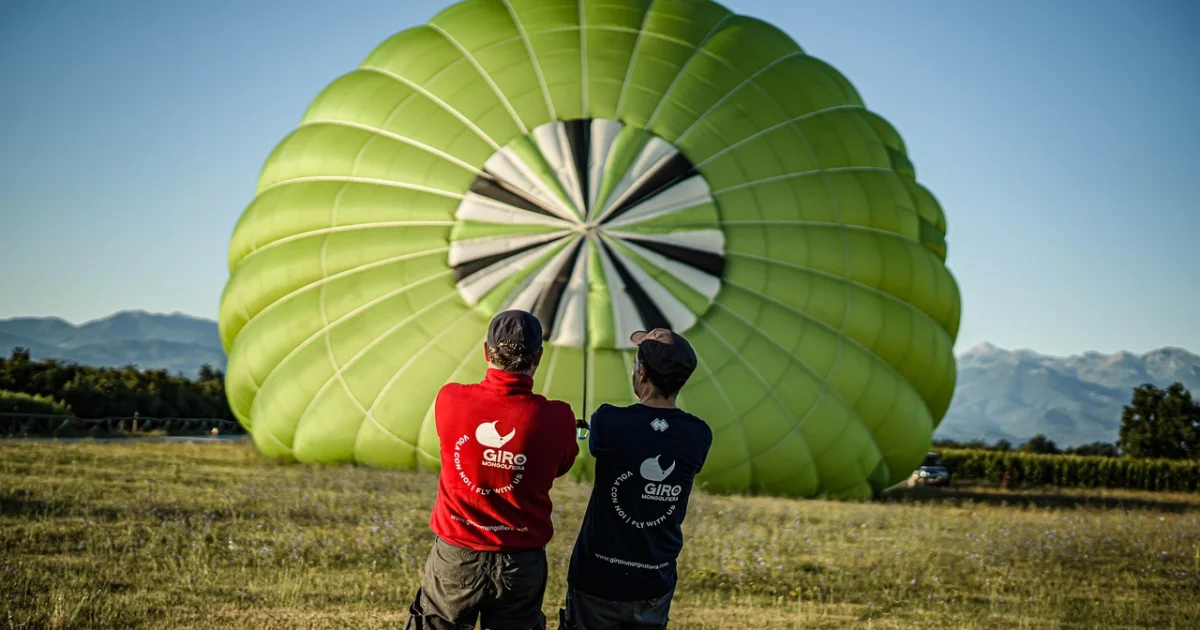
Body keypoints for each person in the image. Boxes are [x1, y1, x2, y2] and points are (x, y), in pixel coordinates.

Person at [405, 309, 580, 630]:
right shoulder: (558, 416)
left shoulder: (451, 397)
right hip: (521, 561)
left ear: (487, 351)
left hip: (456, 554)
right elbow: (562, 466)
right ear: (538, 357)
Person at [559, 329, 713, 630]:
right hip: (654, 579)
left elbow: (606, 442)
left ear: (641, 373)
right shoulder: (698, 434)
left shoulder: (608, 420)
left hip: (598, 576)